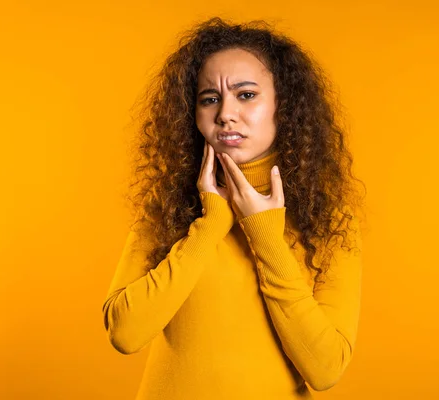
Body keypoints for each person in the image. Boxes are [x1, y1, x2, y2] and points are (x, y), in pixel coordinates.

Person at [102, 16, 366, 400]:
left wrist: (266, 237)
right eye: (210, 98)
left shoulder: (327, 218)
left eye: (246, 95)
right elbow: (124, 333)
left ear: (284, 106)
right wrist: (209, 226)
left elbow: (325, 369)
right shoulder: (170, 206)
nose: (225, 113)